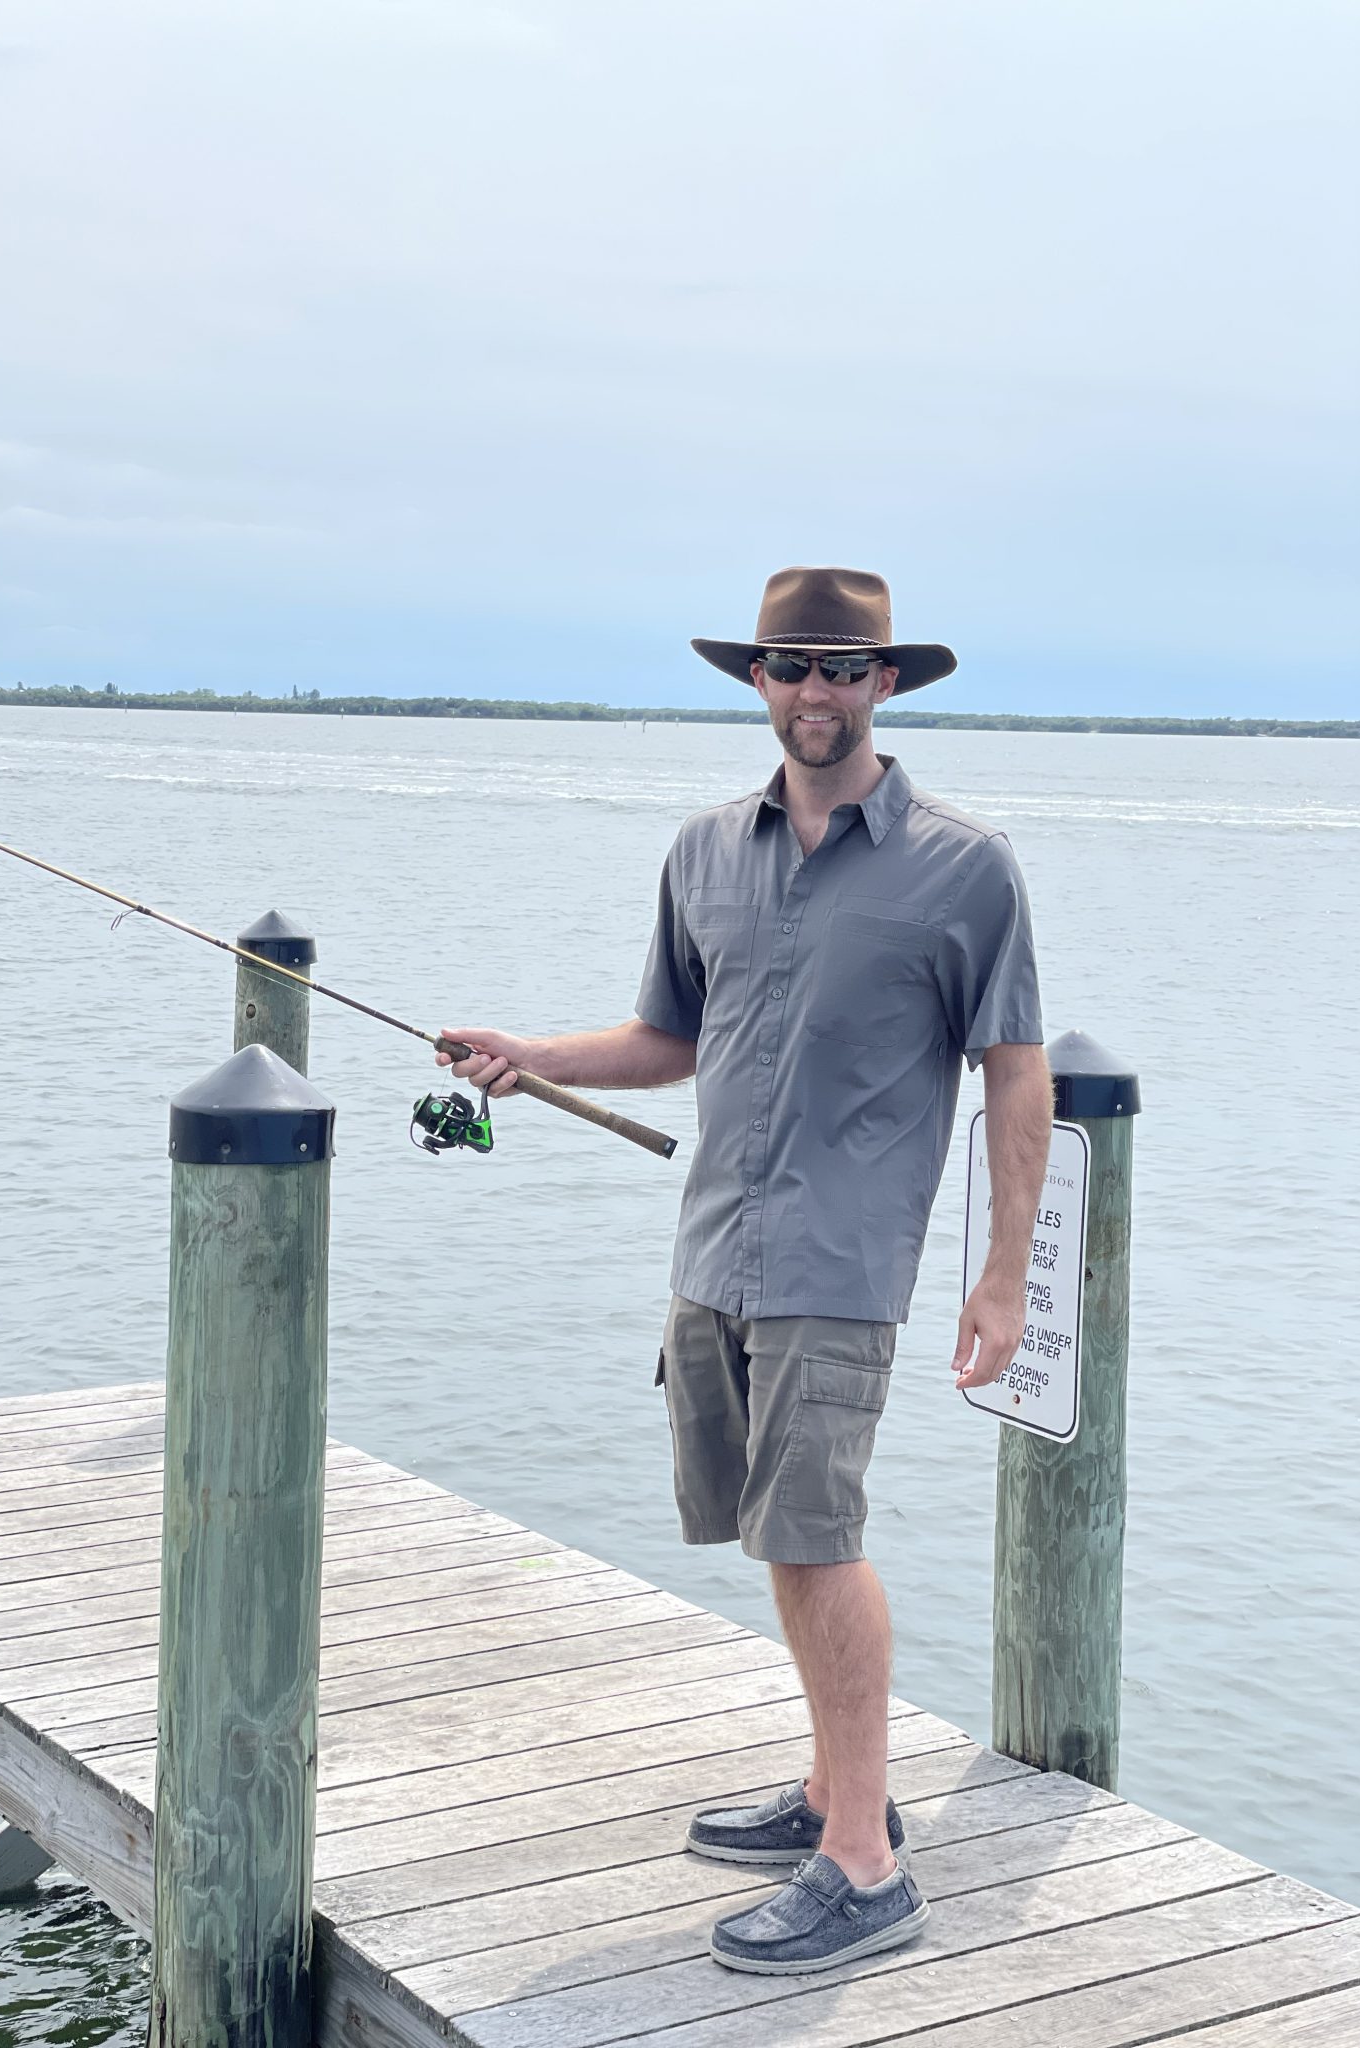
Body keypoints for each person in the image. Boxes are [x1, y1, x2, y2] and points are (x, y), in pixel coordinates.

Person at [438, 565, 1053, 1974]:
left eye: (844, 669)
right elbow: (671, 1039)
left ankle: (864, 1867)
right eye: (792, 666)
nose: (817, 692)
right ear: (758, 682)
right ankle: (841, 1788)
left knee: (816, 1535)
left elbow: (1015, 1080)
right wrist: (529, 1058)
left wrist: (1004, 1277)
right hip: (715, 1247)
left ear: (888, 683)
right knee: (770, 1531)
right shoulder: (706, 848)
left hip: (843, 1265)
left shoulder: (968, 866)